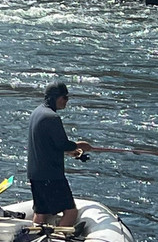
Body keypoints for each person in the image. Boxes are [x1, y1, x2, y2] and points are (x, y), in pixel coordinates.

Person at [27, 82, 94, 228]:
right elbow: (62, 144)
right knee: (70, 212)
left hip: (35, 174)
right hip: (51, 176)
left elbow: (49, 144)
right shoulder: (52, 118)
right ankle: (60, 237)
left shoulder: (36, 113)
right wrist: (79, 145)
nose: (66, 101)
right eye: (65, 97)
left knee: (41, 213)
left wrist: (73, 151)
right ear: (55, 98)